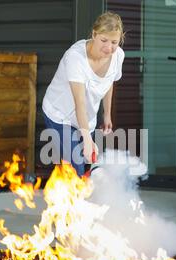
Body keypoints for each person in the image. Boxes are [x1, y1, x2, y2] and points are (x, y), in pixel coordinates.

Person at [42, 11, 125, 176]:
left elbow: (109, 83)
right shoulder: (76, 58)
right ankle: (73, 200)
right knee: (76, 165)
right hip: (61, 115)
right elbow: (78, 102)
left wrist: (106, 115)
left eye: (114, 42)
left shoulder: (118, 56)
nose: (109, 48)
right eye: (104, 40)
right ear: (94, 34)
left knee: (88, 165)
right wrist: (87, 138)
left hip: (86, 118)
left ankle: (76, 199)